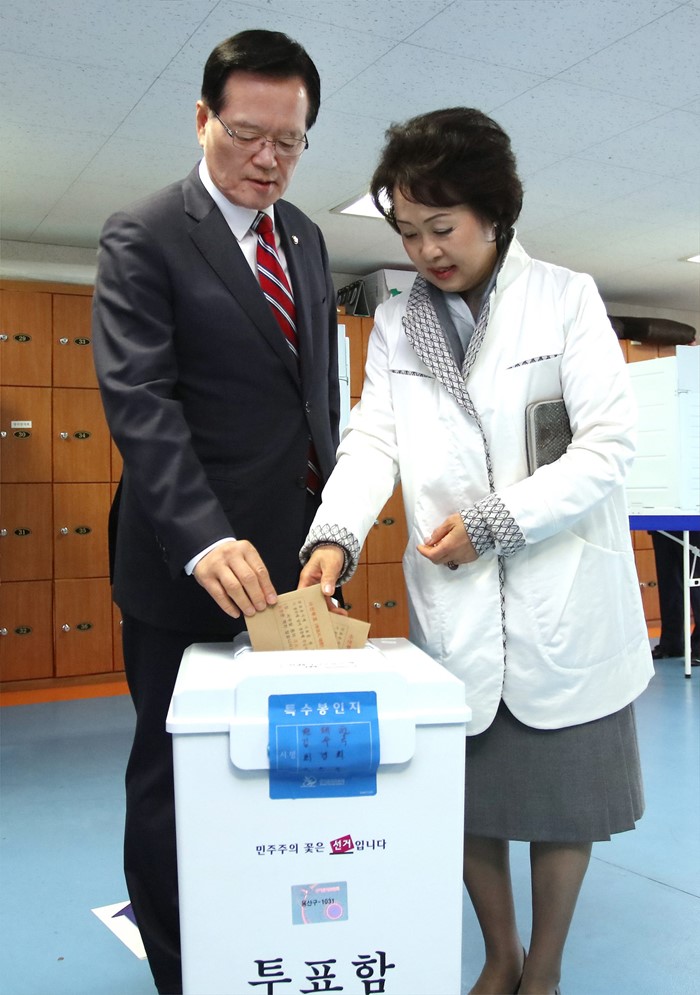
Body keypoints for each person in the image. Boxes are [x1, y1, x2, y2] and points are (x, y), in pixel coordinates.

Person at [299, 107, 653, 995]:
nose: (425, 251)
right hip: (457, 610)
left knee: (565, 804)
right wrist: (335, 537)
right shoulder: (398, 324)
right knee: (466, 801)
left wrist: (496, 521)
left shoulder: (565, 298)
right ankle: (500, 954)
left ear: (494, 212)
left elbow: (607, 447)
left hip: (561, 594)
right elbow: (372, 442)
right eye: (408, 232)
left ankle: (546, 967)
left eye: (442, 227)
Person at [92, 30, 339, 995]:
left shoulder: (306, 237)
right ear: (202, 120)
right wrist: (203, 536)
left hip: (292, 565)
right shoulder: (145, 232)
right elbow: (141, 403)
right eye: (247, 134)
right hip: (184, 563)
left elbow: (313, 398)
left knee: (278, 762)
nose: (268, 160)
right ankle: (181, 968)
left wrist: (331, 522)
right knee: (172, 774)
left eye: (290, 141)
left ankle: (258, 936)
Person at [650, 529, 700, 664]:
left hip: (695, 522)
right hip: (662, 522)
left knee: (697, 584)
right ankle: (672, 644)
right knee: (669, 584)